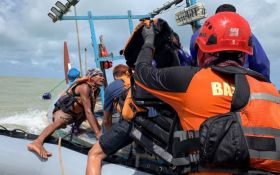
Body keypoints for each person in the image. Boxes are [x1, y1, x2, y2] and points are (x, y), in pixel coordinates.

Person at [134, 12, 280, 173]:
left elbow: (141, 73)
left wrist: (148, 40)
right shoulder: (271, 91)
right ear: (245, 52)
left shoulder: (191, 80)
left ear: (204, 50)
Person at [27, 68, 104, 159]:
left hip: (75, 114)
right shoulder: (84, 87)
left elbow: (90, 112)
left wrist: (100, 131)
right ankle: (37, 142)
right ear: (91, 77)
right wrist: (98, 134)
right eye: (100, 75)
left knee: (86, 114)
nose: (102, 78)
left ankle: (75, 129)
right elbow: (88, 111)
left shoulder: (96, 90)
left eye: (102, 75)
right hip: (63, 112)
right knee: (60, 122)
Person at [189, 4, 270, 81]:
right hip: (241, 80)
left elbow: (194, 59)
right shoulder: (247, 34)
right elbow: (262, 62)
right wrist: (263, 83)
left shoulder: (198, 34)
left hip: (208, 79)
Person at [102, 64, 130, 130]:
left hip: (129, 123)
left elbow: (106, 120)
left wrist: (108, 135)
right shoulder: (137, 81)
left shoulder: (111, 87)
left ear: (115, 76)